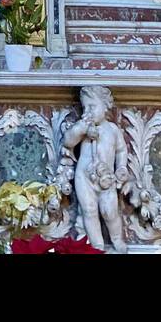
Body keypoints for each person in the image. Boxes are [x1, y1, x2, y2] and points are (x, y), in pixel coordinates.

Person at [63, 86, 127, 253]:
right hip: (84, 177)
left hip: (106, 177)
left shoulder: (112, 129)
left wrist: (121, 167)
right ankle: (96, 245)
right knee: (89, 210)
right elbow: (68, 142)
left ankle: (117, 239)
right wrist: (81, 129)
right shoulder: (83, 127)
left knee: (109, 210)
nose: (88, 111)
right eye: (85, 107)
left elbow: (121, 150)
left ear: (105, 106)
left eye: (92, 106)